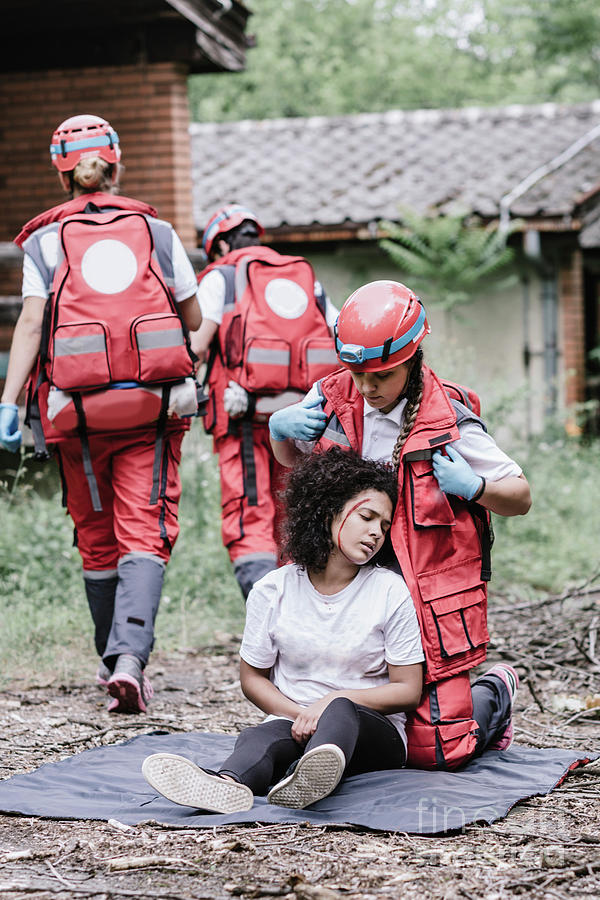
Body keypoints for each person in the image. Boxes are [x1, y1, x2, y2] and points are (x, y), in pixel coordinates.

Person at [268, 280, 531, 771]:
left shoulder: (449, 419)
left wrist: (473, 486)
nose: (367, 386)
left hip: (424, 594)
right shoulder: (330, 400)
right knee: (337, 730)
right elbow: (294, 463)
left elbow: (520, 497)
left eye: (382, 374)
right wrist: (278, 431)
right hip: (352, 586)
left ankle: (495, 694)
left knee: (436, 753)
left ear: (412, 358)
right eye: (357, 371)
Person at [0, 114, 202, 713]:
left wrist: (8, 402)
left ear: (61, 172)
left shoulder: (44, 242)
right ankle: (132, 660)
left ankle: (109, 660)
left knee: (96, 534)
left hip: (75, 415)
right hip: (151, 408)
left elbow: (33, 323)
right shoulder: (156, 233)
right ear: (118, 164)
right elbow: (192, 322)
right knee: (145, 529)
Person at [142, 447, 426, 812]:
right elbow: (253, 679)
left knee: (341, 709)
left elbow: (408, 689)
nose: (375, 533)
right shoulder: (273, 589)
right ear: (327, 511)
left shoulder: (389, 590)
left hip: (373, 733)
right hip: (296, 722)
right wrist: (298, 713)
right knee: (261, 736)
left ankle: (307, 775)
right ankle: (227, 785)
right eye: (367, 517)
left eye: (384, 526)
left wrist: (327, 704)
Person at [191, 203, 339, 599]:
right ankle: (307, 606)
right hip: (304, 418)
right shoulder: (302, 276)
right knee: (297, 511)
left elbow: (197, 345)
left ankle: (266, 608)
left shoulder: (220, 276)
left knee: (248, 512)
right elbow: (340, 335)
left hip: (241, 416)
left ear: (220, 243)